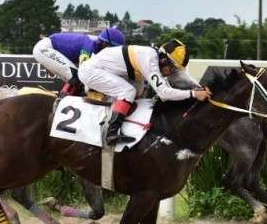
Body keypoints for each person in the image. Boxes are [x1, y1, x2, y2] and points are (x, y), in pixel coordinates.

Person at [77, 38, 212, 146]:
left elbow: (180, 78)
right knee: (128, 91)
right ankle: (110, 132)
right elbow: (164, 93)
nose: (172, 73)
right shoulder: (149, 59)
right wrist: (194, 94)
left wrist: (198, 88)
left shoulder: (158, 58)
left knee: (139, 87)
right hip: (91, 71)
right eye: (172, 68)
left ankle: (117, 120)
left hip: (104, 70)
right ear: (164, 59)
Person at [32, 27, 126, 96]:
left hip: (48, 47)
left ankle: (66, 100)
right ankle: (62, 101)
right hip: (45, 48)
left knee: (77, 84)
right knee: (77, 76)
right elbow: (83, 73)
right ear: (106, 43)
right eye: (114, 48)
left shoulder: (98, 45)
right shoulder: (90, 45)